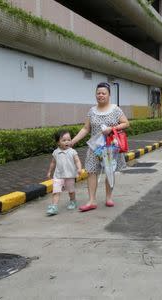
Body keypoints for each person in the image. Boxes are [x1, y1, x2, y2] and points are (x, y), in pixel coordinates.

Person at [71, 82, 130, 212]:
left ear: (109, 95)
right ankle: (91, 200)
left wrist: (112, 128)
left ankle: (109, 197)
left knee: (109, 171)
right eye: (98, 93)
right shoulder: (92, 111)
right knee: (91, 171)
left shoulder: (115, 109)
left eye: (104, 93)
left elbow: (126, 123)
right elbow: (86, 129)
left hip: (110, 147)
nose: (100, 95)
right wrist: (73, 141)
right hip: (95, 148)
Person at [46, 130, 82, 216]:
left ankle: (73, 201)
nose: (67, 142)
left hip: (69, 176)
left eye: (69, 140)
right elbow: (53, 163)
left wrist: (79, 168)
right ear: (58, 142)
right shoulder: (55, 152)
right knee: (56, 191)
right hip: (58, 175)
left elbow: (77, 161)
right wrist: (49, 172)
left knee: (71, 191)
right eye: (64, 140)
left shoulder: (72, 151)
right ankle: (54, 206)